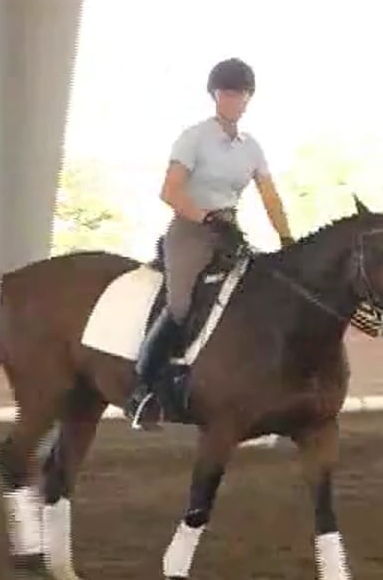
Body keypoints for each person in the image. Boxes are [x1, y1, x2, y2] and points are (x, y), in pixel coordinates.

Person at [125, 57, 296, 431]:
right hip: (191, 229)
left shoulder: (252, 148)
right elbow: (169, 191)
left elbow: (270, 197)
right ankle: (143, 389)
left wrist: (286, 238)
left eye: (239, 94)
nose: (232, 100)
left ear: (248, 99)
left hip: (230, 232)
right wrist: (205, 217)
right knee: (182, 304)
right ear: (215, 96)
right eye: (226, 93)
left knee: (257, 300)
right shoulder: (194, 137)